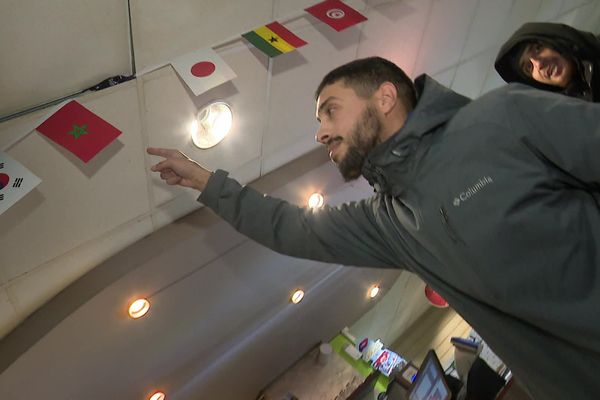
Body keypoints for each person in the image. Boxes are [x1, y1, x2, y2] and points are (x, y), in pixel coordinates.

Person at [148, 56, 600, 400]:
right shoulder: (392, 222)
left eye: (330, 111)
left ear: (384, 98)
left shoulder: (502, 116)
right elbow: (290, 228)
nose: (321, 133)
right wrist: (209, 183)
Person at [495, 22, 600, 102]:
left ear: (558, 40)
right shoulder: (570, 120)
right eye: (529, 67)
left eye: (538, 48)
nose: (539, 64)